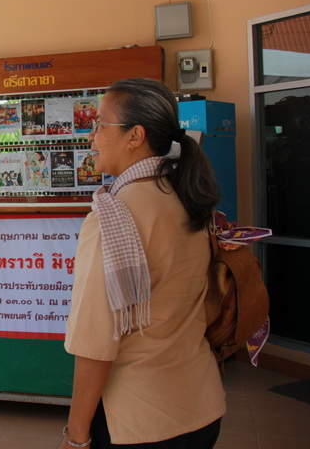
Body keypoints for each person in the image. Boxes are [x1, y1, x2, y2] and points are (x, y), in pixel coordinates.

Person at [60, 78, 225, 449]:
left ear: (135, 136)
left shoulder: (112, 217)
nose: (91, 136)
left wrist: (76, 436)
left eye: (100, 124)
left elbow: (95, 345)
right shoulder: (188, 198)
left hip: (139, 421)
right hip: (202, 406)